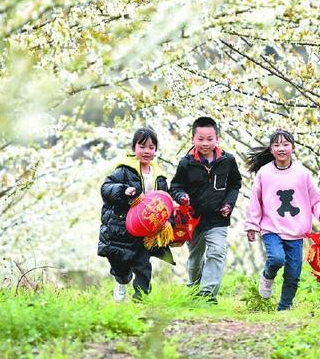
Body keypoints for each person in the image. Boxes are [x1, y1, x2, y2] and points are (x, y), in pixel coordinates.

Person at [243, 129, 320, 311]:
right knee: (276, 259)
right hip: (272, 228)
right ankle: (267, 276)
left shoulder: (302, 173)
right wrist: (252, 225)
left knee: (293, 274)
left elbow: (316, 199)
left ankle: (284, 308)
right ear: (271, 150)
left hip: (296, 231)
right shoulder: (264, 173)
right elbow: (255, 201)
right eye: (276, 145)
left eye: (285, 144)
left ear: (293, 147)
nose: (281, 148)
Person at [170, 117, 242, 303]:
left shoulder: (228, 160)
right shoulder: (186, 163)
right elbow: (175, 186)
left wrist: (229, 204)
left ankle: (207, 294)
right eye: (200, 139)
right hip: (193, 220)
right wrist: (182, 197)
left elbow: (235, 185)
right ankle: (194, 289)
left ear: (217, 138)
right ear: (193, 139)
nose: (205, 143)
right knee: (195, 259)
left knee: (217, 252)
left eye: (210, 139)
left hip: (218, 218)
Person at [97, 127, 173, 302]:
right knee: (122, 263)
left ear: (155, 150)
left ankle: (141, 299)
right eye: (142, 146)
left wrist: (168, 221)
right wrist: (124, 190)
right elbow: (106, 188)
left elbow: (164, 200)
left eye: (151, 147)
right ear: (134, 149)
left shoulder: (159, 176)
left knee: (143, 265)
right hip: (123, 226)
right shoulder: (124, 170)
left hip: (146, 229)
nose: (147, 151)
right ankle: (121, 282)